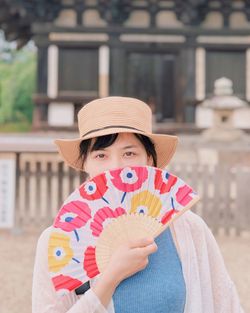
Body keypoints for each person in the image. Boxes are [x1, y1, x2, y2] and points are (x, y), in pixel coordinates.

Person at [32, 97, 244, 313]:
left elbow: (225, 304)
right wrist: (111, 278)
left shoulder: (188, 229)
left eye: (129, 153)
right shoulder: (59, 244)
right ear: (85, 163)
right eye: (101, 155)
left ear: (149, 160)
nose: (116, 167)